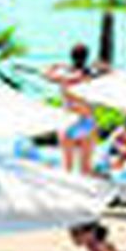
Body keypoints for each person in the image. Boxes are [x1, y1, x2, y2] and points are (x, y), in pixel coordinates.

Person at [45, 43, 106, 176]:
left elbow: (47, 75)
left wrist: (56, 65)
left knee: (68, 168)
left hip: (70, 120)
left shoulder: (66, 76)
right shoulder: (89, 76)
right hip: (85, 120)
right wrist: (102, 67)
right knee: (84, 169)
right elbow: (112, 74)